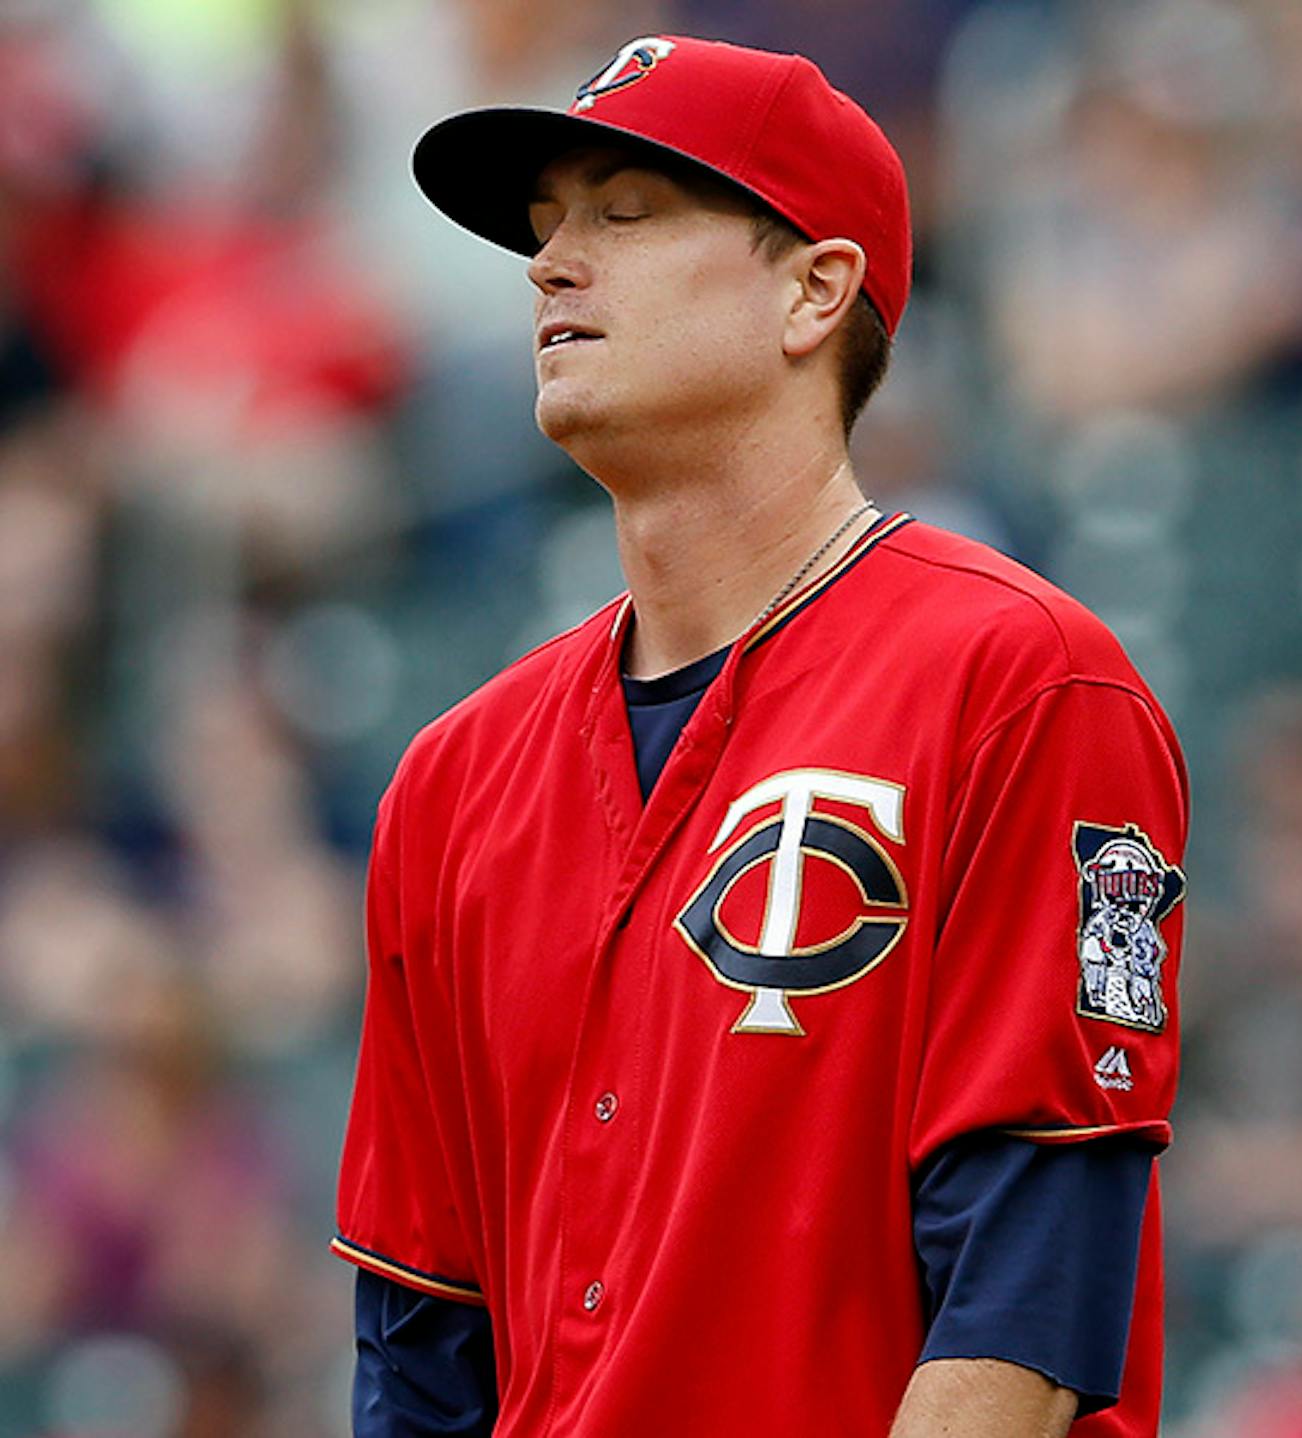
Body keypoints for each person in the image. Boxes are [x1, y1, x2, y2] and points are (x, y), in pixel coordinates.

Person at [330, 35, 1187, 1438]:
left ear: (814, 290)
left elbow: (1026, 1304)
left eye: (624, 211)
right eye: (544, 227)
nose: (550, 263)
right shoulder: (452, 778)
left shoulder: (1019, 680)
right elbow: (424, 1344)